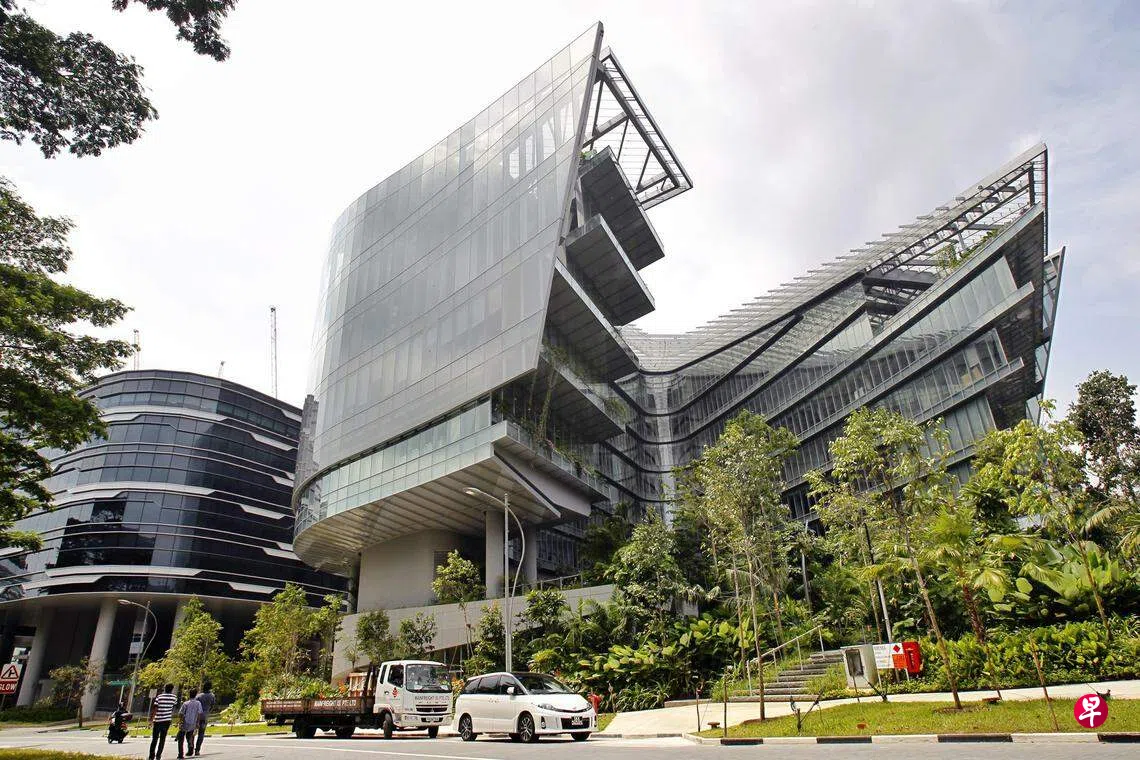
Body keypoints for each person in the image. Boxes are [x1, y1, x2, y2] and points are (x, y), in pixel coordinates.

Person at [148, 684, 178, 760]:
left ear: (165, 688)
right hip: (167, 720)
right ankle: (158, 755)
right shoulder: (174, 698)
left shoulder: (159, 697)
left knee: (154, 739)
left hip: (158, 720)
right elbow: (173, 708)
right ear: (172, 689)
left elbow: (155, 709)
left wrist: (151, 719)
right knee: (162, 738)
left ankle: (151, 756)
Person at [176, 688, 203, 759]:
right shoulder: (198, 703)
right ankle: (190, 748)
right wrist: (197, 722)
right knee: (190, 736)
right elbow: (199, 713)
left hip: (185, 722)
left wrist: (180, 722)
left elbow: (181, 713)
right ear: (196, 695)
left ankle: (180, 754)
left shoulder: (186, 703)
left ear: (189, 694)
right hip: (193, 722)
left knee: (181, 739)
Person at [194, 681, 216, 755]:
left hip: (197, 716)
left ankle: (190, 746)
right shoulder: (212, 696)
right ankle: (197, 749)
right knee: (201, 733)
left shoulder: (199, 696)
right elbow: (212, 705)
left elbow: (195, 705)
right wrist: (208, 711)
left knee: (192, 732)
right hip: (205, 716)